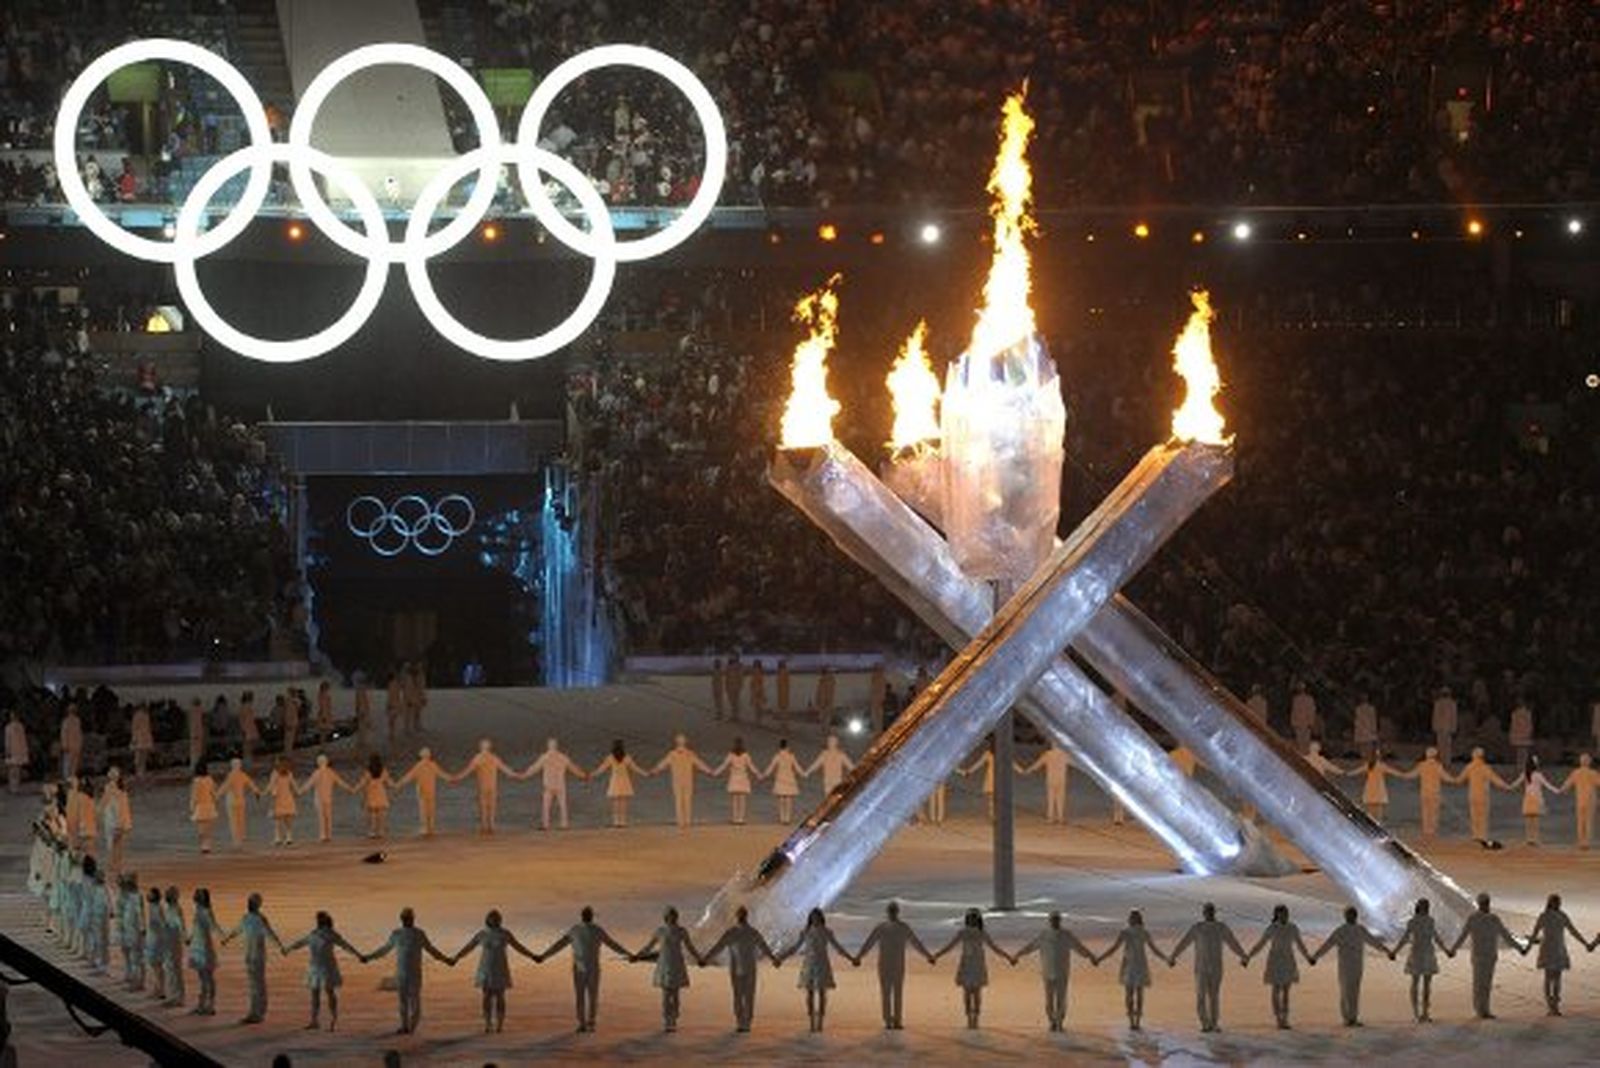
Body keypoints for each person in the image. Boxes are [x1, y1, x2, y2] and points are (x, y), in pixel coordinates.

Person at [534, 905, 633, 1032]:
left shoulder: (588, 930)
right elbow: (559, 945)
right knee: (585, 996)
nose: (587, 916)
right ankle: (584, 1023)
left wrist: (628, 954)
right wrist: (544, 956)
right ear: (587, 916)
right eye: (587, 914)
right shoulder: (580, 930)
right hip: (582, 968)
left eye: (588, 914)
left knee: (589, 996)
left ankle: (589, 1022)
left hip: (588, 968)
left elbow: (613, 944)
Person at [364, 906, 453, 1034]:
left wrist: (446, 960)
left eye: (409, 918)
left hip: (415, 974)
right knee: (403, 1003)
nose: (407, 920)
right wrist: (369, 957)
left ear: (413, 919)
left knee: (415, 1002)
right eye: (405, 918)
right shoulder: (396, 934)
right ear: (401, 919)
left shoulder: (419, 934)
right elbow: (384, 950)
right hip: (401, 973)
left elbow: (432, 951)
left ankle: (411, 1027)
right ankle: (404, 1026)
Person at [447, 909, 538, 1033]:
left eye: (496, 918)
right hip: (485, 968)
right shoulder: (482, 934)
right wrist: (456, 958)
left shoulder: (505, 933)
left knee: (500, 996)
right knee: (486, 996)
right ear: (487, 919)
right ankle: (488, 1023)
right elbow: (468, 947)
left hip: (500, 968)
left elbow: (518, 947)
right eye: (492, 918)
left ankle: (500, 1024)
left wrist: (532, 956)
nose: (494, 920)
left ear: (500, 920)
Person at [1168, 902, 1248, 1033]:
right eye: (1206, 911)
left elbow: (1233, 942)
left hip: (1216, 967)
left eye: (1210, 911)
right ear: (1203, 913)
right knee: (1200, 996)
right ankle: (1204, 1022)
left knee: (1214, 996)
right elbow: (1184, 942)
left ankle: (1214, 1022)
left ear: (1214, 912)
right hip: (1201, 968)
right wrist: (1173, 956)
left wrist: (1243, 956)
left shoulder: (1221, 927)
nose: (1209, 913)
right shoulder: (1197, 928)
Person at [699, 905, 780, 1032]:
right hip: (736, 969)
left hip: (749, 968)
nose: (741, 916)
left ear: (745, 916)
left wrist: (773, 959)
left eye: (743, 914)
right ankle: (740, 1021)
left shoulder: (752, 932)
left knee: (748, 996)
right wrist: (706, 959)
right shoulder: (731, 933)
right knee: (738, 996)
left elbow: (764, 946)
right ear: (737, 916)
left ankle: (746, 1023)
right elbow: (718, 947)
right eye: (739, 914)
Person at [856, 901, 934, 1030]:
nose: (892, 913)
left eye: (893, 910)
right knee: (886, 993)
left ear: (897, 912)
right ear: (888, 912)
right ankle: (888, 1020)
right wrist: (859, 956)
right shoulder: (882, 927)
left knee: (897, 993)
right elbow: (868, 944)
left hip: (898, 964)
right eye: (891, 910)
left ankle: (897, 1021)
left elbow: (916, 943)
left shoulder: (903, 927)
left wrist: (928, 956)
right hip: (884, 964)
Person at [932, 908, 1015, 1029]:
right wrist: (936, 955)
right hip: (971, 963)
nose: (972, 920)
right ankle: (971, 1016)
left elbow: (995, 948)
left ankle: (974, 1016)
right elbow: (949, 946)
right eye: (971, 918)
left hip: (973, 963)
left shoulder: (974, 933)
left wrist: (1008, 957)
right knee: (970, 992)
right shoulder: (972, 933)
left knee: (974, 992)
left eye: (973, 918)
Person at [1448, 892, 1527, 1019]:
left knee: (1485, 983)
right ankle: (1480, 1009)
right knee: (1480, 983)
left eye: (1487, 903)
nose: (1486, 905)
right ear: (1481, 904)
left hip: (1489, 956)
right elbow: (1463, 936)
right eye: (1485, 903)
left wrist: (1519, 948)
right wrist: (1453, 949)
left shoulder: (1491, 919)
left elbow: (1506, 935)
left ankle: (1484, 1009)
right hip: (1480, 956)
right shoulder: (1476, 918)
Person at [1015, 910, 1096, 1032]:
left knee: (1061, 998)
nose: (1055, 922)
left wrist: (1090, 956)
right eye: (1053, 920)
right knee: (1049, 999)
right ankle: (1052, 1021)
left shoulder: (1067, 935)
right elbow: (1030, 947)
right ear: (1050, 921)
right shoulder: (1044, 935)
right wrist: (1018, 955)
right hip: (1047, 971)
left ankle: (1059, 1022)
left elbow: (1079, 948)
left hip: (1062, 971)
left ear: (1060, 921)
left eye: (1057, 920)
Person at [778, 907, 855, 1033]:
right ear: (810, 918)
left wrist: (851, 958)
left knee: (822, 993)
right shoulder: (805, 932)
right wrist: (781, 958)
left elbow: (838, 947)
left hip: (822, 963)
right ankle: (811, 1021)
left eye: (817, 917)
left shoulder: (827, 932)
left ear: (821, 918)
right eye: (813, 917)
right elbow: (795, 948)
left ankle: (820, 1022)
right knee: (809, 993)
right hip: (808, 964)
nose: (815, 919)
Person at [1311, 905, 1389, 1026]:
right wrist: (1315, 956)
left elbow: (1373, 942)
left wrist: (1386, 951)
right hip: (1345, 965)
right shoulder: (1340, 930)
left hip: (1357, 965)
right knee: (1346, 990)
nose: (1351, 916)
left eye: (1353, 914)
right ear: (1345, 916)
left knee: (1355, 990)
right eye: (1349, 914)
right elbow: (1328, 944)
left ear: (1356, 916)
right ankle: (1347, 1017)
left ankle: (1353, 1017)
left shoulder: (1360, 929)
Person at [283, 911, 361, 1030]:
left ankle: (333, 1019)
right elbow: (301, 943)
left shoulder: (331, 934)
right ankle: (314, 1020)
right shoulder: (313, 933)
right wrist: (288, 949)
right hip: (315, 967)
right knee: (315, 994)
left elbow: (346, 946)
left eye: (320, 919)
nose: (318, 921)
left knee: (329, 992)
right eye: (318, 919)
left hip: (327, 967)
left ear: (324, 920)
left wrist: (358, 955)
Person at [1244, 904, 1317, 1029]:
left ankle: (1285, 1018)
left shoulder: (1293, 927)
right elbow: (1260, 944)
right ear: (1277, 914)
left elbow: (1300, 945)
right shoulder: (1272, 928)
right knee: (1277, 989)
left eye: (1286, 913)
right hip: (1276, 960)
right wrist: (1248, 956)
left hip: (1288, 960)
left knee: (1286, 991)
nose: (1284, 915)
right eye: (1282, 913)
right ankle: (1278, 1018)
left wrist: (1308, 957)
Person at [1094, 909, 1170, 1030]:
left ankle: (1132, 1021)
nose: (1130, 919)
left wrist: (1099, 959)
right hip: (1139, 964)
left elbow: (1114, 949)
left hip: (1130, 965)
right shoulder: (1143, 932)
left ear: (1132, 919)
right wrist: (1167, 959)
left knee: (1130, 994)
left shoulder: (1126, 932)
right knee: (1138, 994)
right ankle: (1136, 1021)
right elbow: (1155, 950)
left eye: (1131, 917)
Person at [632, 906, 703, 1032]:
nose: (673, 918)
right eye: (670, 915)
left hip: (676, 964)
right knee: (665, 996)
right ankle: (667, 1021)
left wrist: (699, 958)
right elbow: (649, 946)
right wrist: (638, 955)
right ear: (666, 917)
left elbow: (690, 947)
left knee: (675, 995)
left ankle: (674, 1019)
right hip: (664, 965)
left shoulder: (682, 931)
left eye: (674, 915)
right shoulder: (660, 931)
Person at [221, 892, 286, 1024]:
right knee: (253, 985)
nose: (249, 904)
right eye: (249, 901)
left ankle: (260, 1013)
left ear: (257, 905)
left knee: (258, 984)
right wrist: (227, 938)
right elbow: (238, 930)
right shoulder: (246, 918)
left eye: (252, 902)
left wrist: (280, 946)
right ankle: (253, 1012)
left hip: (258, 956)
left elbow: (270, 933)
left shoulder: (261, 919)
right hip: (249, 956)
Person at [1526, 893, 1594, 1017]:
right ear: (1550, 903)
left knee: (1556, 978)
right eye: (1556, 902)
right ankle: (1550, 1005)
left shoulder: (1561, 916)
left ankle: (1555, 1005)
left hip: (1558, 949)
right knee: (1549, 978)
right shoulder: (1545, 916)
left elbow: (1573, 931)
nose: (1558, 904)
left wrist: (1585, 943)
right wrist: (1527, 947)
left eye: (1559, 902)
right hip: (1549, 949)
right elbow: (1535, 933)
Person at [1388, 898, 1452, 1022]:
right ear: (1420, 907)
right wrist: (1394, 951)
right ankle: (1416, 1013)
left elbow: (1436, 937)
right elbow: (1405, 938)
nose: (1426, 908)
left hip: (1426, 953)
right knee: (1416, 983)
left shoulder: (1429, 921)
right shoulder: (1414, 922)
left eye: (1427, 905)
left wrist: (1445, 950)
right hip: (1418, 953)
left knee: (1426, 985)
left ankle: (1425, 1012)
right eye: (1425, 905)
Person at [519, 737, 587, 830]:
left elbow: (534, 768)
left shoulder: (545, 757)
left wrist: (524, 775)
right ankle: (564, 824)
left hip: (549, 784)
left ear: (548, 746)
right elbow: (573, 768)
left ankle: (546, 825)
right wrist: (583, 775)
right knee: (562, 805)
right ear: (556, 746)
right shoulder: (562, 757)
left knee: (546, 806)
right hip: (560, 784)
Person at [452, 739, 515, 834]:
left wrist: (457, 777)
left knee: (483, 806)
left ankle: (484, 825)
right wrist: (517, 775)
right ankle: (491, 825)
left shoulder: (478, 758)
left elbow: (467, 771)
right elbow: (505, 769)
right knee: (492, 806)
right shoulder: (494, 758)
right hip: (492, 785)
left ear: (480, 747)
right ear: (489, 747)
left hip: (483, 786)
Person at [653, 733, 713, 829]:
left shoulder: (672, 754)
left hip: (677, 780)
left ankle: (680, 822)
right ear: (685, 742)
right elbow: (699, 764)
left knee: (678, 801)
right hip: (688, 780)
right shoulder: (690, 753)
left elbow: (662, 764)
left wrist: (654, 771)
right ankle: (687, 821)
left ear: (676, 742)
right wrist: (709, 771)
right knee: (687, 800)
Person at [1397, 747, 1454, 839]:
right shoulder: (1438, 766)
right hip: (1435, 793)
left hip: (1424, 793)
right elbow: (1446, 777)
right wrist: (1456, 780)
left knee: (1425, 812)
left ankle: (1426, 832)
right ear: (1435, 755)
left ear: (1426, 755)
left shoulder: (1422, 765)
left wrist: (1402, 774)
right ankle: (1433, 832)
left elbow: (1411, 774)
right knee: (1434, 812)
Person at [1458, 748, 1512, 841]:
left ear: (1474, 755)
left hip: (1472, 795)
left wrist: (1450, 780)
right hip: (1483, 796)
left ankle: (1475, 835)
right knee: (1482, 816)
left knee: (1474, 816)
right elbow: (1495, 779)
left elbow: (1460, 779)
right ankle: (1481, 835)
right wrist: (1506, 786)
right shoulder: (1485, 768)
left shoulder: (1469, 767)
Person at [593, 740, 649, 827]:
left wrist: (592, 775)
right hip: (624, 780)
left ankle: (616, 821)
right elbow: (635, 768)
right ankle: (623, 821)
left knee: (615, 802)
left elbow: (601, 769)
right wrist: (645, 774)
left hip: (615, 780)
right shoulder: (627, 757)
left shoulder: (610, 757)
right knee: (623, 802)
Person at [298, 754, 350, 842]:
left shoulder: (317, 773)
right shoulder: (330, 772)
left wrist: (300, 791)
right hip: (327, 797)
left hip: (319, 798)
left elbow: (308, 784)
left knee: (322, 817)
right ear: (327, 762)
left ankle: (323, 835)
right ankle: (328, 834)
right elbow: (340, 782)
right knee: (328, 816)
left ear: (318, 763)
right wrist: (349, 788)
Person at [1509, 755, 1560, 845]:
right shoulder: (1538, 775)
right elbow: (1547, 785)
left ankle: (1529, 838)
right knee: (1535, 820)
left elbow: (1516, 783)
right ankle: (1535, 839)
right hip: (1536, 798)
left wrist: (1509, 787)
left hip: (1528, 798)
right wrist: (1557, 790)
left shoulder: (1525, 774)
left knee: (1528, 820)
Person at [394, 747, 445, 836]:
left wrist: (398, 784)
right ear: (429, 755)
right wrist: (452, 778)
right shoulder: (432, 765)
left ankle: (426, 828)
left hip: (423, 791)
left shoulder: (420, 765)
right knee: (431, 809)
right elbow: (442, 774)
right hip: (430, 790)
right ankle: (431, 828)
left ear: (421, 755)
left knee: (424, 809)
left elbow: (408, 776)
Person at [1017, 742, 1071, 824]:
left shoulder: (1048, 754)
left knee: (1051, 798)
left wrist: (1027, 770)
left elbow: (1037, 764)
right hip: (1061, 779)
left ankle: (1050, 817)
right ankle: (1060, 817)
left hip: (1050, 779)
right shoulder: (1065, 754)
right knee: (1060, 798)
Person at [712, 737, 761, 825]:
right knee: (742, 800)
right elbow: (751, 766)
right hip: (743, 778)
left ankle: (735, 818)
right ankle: (741, 819)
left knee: (735, 800)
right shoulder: (746, 755)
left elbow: (724, 765)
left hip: (734, 778)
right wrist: (758, 774)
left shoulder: (731, 755)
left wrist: (715, 772)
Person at [186, 887, 219, 1016]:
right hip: (198, 946)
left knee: (208, 977)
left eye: (198, 895)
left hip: (205, 947)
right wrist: (190, 938)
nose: (195, 896)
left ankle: (210, 1005)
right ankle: (202, 1004)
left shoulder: (205, 911)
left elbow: (212, 927)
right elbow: (196, 927)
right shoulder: (199, 910)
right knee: (203, 977)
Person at [1346, 750, 1403, 822]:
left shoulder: (1369, 765)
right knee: (1378, 814)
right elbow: (1394, 772)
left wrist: (1347, 773)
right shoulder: (1380, 765)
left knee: (1370, 814)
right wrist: (1403, 775)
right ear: (1379, 757)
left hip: (1371, 789)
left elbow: (1356, 771)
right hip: (1378, 789)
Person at [219, 758, 259, 850]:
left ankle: (236, 840)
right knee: (241, 820)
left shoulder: (231, 775)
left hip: (231, 801)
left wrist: (216, 795)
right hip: (241, 800)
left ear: (232, 766)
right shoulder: (243, 775)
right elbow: (251, 784)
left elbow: (225, 787)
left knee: (233, 821)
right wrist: (257, 792)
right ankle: (241, 837)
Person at [1560, 753, 1599, 848]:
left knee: (1581, 821)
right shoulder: (1593, 773)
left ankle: (1581, 841)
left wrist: (1561, 790)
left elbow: (1567, 784)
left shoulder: (1576, 773)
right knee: (1588, 821)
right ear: (1589, 762)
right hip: (1591, 800)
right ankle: (1586, 842)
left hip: (1581, 800)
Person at [353, 753, 396, 838]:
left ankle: (372, 832)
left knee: (372, 814)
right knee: (381, 814)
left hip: (371, 793)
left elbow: (362, 782)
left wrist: (354, 790)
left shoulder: (368, 771)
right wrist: (396, 785)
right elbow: (389, 782)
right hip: (381, 793)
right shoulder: (383, 771)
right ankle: (381, 831)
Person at [762, 738, 805, 823]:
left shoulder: (777, 756)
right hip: (789, 778)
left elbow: (771, 767)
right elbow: (797, 767)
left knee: (781, 799)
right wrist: (803, 774)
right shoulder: (791, 756)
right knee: (788, 799)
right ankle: (787, 819)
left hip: (780, 779)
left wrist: (764, 775)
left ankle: (782, 818)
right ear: (787, 747)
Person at [116, 872, 145, 992]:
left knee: (135, 958)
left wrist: (142, 929)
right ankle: (130, 976)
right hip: (126, 929)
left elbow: (139, 915)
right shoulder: (124, 896)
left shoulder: (135, 897)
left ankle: (138, 982)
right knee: (127, 953)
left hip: (134, 931)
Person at [100, 767, 132, 871]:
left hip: (113, 818)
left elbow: (104, 802)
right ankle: (117, 865)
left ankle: (112, 865)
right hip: (117, 817)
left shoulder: (111, 787)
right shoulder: (121, 789)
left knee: (112, 844)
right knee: (118, 844)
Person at [162, 886, 188, 1007]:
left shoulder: (177, 909)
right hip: (169, 943)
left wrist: (185, 938)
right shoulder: (168, 909)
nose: (166, 896)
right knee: (170, 970)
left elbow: (181, 925)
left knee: (176, 970)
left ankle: (180, 997)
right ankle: (173, 996)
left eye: (168, 894)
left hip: (175, 943)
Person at [266, 756, 299, 847]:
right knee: (286, 819)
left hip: (279, 798)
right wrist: (298, 792)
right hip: (287, 797)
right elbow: (294, 785)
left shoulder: (276, 774)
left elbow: (271, 785)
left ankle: (279, 838)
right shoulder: (288, 774)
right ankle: (288, 837)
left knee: (279, 820)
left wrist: (265, 792)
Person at [961, 742, 997, 821]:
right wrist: (969, 771)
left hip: (999, 777)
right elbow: (979, 763)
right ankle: (993, 816)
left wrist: (1021, 770)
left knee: (996, 798)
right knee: (992, 798)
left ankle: (995, 815)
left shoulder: (1002, 753)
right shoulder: (988, 754)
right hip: (991, 776)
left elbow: (1011, 763)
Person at [143, 885, 167, 1001]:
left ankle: (160, 989)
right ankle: (158, 988)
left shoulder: (157, 908)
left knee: (157, 965)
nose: (148, 895)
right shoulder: (152, 906)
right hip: (153, 938)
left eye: (150, 893)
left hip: (157, 940)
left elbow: (161, 924)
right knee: (155, 965)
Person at [189, 763, 219, 854]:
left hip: (201, 806)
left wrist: (191, 806)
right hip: (209, 806)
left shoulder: (196, 781)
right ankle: (207, 846)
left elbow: (194, 795)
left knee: (201, 829)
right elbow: (214, 793)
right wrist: (216, 802)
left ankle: (204, 846)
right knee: (208, 829)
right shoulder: (210, 779)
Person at [1432, 687, 1459, 766]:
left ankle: (1447, 761)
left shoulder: (1452, 704)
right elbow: (1435, 716)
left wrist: (1454, 728)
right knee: (1440, 745)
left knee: (1447, 745)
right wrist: (1435, 726)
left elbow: (1454, 717)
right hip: (1441, 727)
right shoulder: (1438, 703)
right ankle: (1441, 760)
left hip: (1447, 727)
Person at [1289, 682, 1317, 753]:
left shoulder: (1309, 699)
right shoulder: (1296, 699)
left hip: (1305, 723)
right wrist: (1293, 722)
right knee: (1300, 742)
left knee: (1305, 742)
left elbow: (1312, 711)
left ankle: (1304, 756)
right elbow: (1294, 711)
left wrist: (1311, 722)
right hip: (1300, 723)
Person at [6, 710, 28, 793]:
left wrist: (7, 751)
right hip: (19, 751)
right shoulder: (20, 726)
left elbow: (8, 741)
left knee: (13, 771)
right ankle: (15, 787)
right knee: (17, 770)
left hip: (13, 751)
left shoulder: (8, 727)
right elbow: (24, 740)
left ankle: (13, 788)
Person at [1508, 700, 1535, 769]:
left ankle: (1521, 765)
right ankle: (1521, 765)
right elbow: (1529, 725)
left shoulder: (1516, 714)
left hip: (1520, 734)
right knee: (1522, 751)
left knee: (1521, 751)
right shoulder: (1523, 713)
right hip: (1522, 734)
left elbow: (1514, 725)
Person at [130, 704, 154, 780]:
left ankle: (141, 772)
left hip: (143, 738)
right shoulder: (139, 715)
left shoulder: (144, 715)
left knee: (141, 757)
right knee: (140, 757)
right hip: (141, 738)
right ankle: (139, 772)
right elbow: (135, 727)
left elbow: (147, 727)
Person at [1352, 695, 1379, 761]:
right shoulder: (1358, 709)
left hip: (1367, 733)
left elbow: (1373, 721)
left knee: (1368, 752)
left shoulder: (1371, 709)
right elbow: (1357, 722)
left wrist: (1374, 731)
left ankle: (1369, 763)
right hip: (1363, 733)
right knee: (1364, 752)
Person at [60, 705, 84, 780]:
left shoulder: (77, 721)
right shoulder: (66, 721)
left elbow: (79, 733)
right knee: (67, 763)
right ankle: (67, 778)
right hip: (69, 745)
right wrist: (64, 744)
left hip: (75, 745)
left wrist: (80, 744)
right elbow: (63, 733)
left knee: (74, 764)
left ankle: (72, 777)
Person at [186, 699, 207, 768]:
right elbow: (201, 723)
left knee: (194, 752)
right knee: (198, 752)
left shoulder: (192, 712)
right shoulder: (199, 711)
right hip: (198, 734)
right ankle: (197, 765)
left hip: (194, 735)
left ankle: (194, 765)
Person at [723, 655, 744, 721]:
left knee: (736, 701)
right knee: (731, 701)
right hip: (730, 685)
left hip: (736, 685)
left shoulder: (739, 666)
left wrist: (740, 685)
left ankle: (736, 716)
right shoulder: (728, 666)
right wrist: (726, 686)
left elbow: (740, 676)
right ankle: (734, 715)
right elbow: (727, 676)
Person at [385, 672, 403, 743]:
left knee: (391, 722)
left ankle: (392, 734)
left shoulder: (391, 685)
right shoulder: (396, 685)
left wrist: (388, 705)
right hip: (396, 704)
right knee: (392, 721)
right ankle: (392, 734)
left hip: (393, 705)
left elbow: (390, 696)